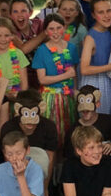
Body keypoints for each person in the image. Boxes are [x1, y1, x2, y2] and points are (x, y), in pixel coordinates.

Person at [0, 89, 60, 196]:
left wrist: (44, 187)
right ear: (18, 110)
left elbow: (50, 158)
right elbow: (7, 160)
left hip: (42, 177)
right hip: (15, 176)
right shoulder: (8, 128)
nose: (30, 121)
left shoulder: (49, 127)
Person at [31, 13, 79, 148]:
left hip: (68, 97)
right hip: (50, 98)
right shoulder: (41, 50)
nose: (55, 32)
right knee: (54, 135)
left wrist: (73, 91)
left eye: (58, 28)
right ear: (46, 31)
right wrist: (65, 75)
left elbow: (73, 76)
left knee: (69, 135)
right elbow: (42, 79)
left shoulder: (71, 48)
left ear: (64, 28)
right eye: (51, 29)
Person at [78, 0, 111, 121]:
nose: (106, 15)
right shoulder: (90, 37)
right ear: (93, 15)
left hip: (109, 81)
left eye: (108, 10)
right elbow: (84, 69)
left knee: (108, 120)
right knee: (97, 120)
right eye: (101, 12)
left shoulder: (110, 31)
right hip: (95, 83)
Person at [65, 86, 111, 175]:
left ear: (97, 104)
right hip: (83, 174)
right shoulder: (73, 130)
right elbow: (69, 158)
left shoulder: (109, 122)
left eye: (88, 109)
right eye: (83, 110)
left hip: (108, 173)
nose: (85, 111)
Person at [0, 17, 25, 97]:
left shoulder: (18, 54)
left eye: (6, 35)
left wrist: (20, 95)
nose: (3, 39)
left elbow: (24, 83)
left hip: (17, 96)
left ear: (13, 36)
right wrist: (4, 95)